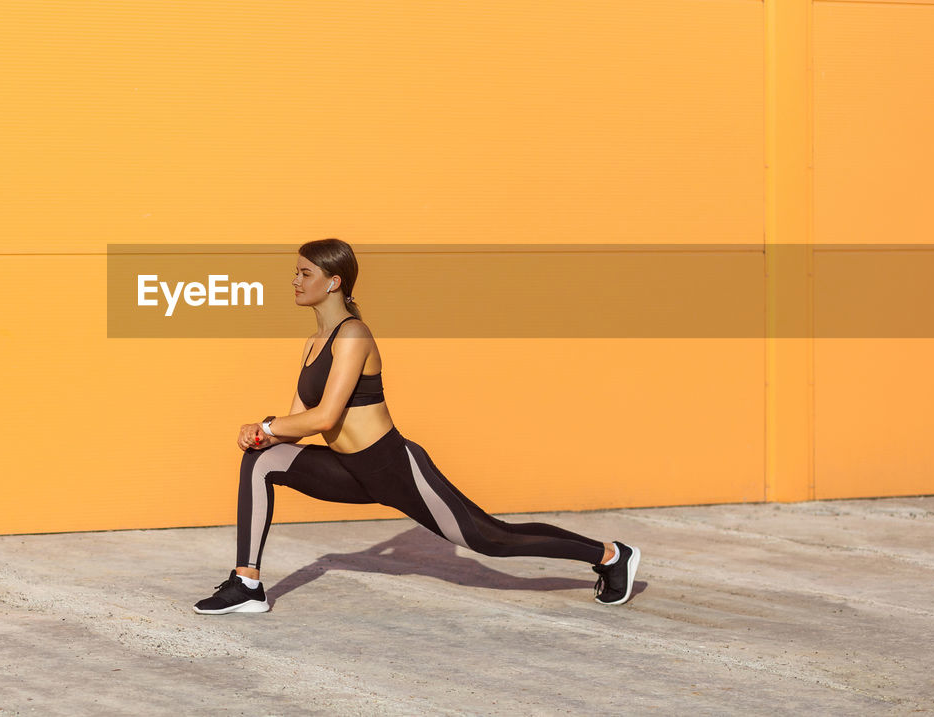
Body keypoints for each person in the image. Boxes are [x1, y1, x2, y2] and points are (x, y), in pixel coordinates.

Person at [193, 238, 641, 614]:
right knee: (262, 459)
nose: (295, 280)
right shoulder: (314, 343)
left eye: (305, 273)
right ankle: (247, 583)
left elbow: (327, 416)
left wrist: (269, 425)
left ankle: (610, 555)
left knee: (490, 538)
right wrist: (261, 432)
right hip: (350, 469)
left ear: (334, 282)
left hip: (393, 467)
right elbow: (300, 423)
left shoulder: (353, 334)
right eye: (295, 272)